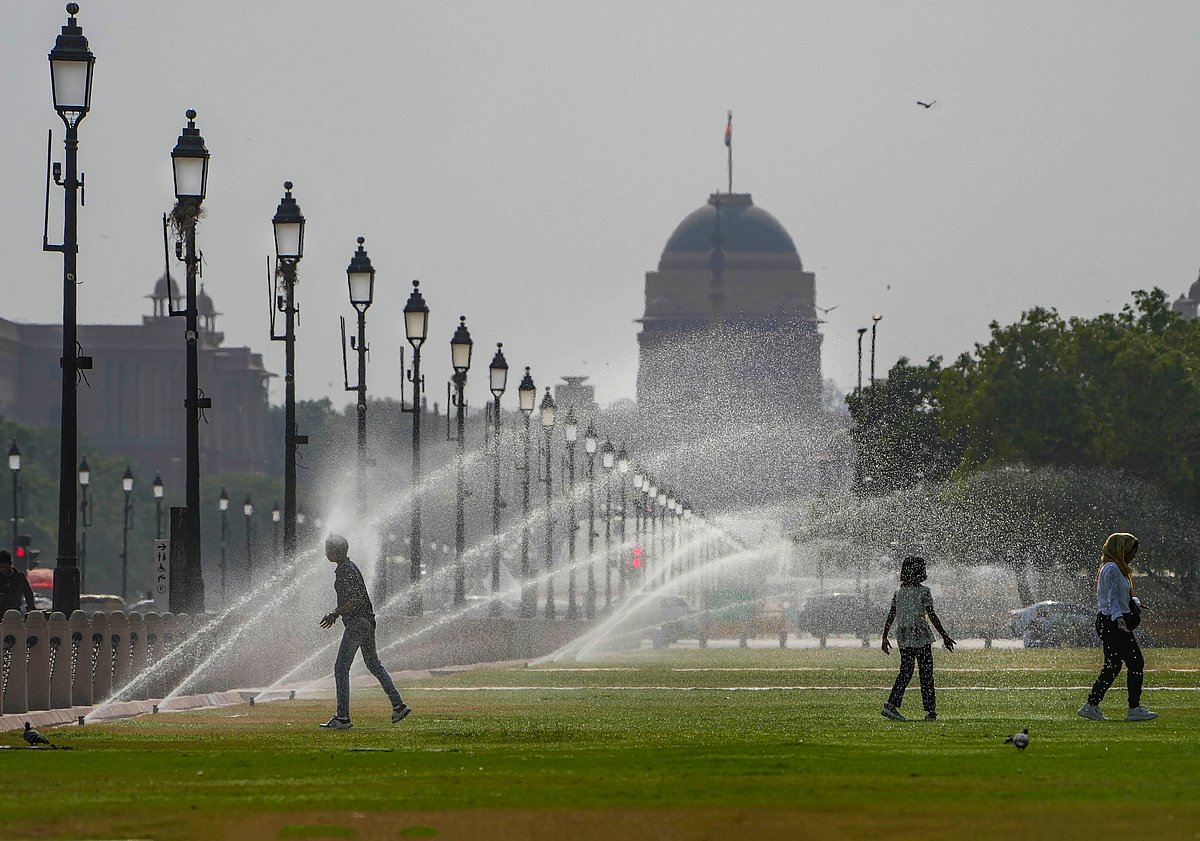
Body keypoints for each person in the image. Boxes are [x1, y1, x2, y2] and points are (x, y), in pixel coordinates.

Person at [318, 534, 412, 730]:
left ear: (336, 551)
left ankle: (342, 718)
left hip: (357, 624)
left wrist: (335, 613)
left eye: (328, 548)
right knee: (374, 664)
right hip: (367, 622)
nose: (326, 552)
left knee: (341, 668)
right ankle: (398, 705)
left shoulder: (345, 571)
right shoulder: (348, 568)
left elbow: (357, 598)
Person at [1078, 532, 1157, 722]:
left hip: (1110, 621)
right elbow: (1112, 598)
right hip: (1113, 623)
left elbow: (1120, 596)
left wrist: (1134, 602)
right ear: (1121, 549)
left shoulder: (1114, 567)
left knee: (1113, 666)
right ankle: (1134, 708)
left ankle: (1091, 705)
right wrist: (1119, 618)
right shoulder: (1112, 568)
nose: (1134, 555)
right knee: (1136, 662)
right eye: (1131, 551)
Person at [880, 556, 955, 721]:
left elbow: (892, 614)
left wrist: (885, 636)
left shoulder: (899, 591)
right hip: (920, 635)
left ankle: (891, 705)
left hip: (904, 636)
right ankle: (930, 712)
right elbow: (932, 615)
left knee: (906, 672)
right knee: (926, 673)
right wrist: (944, 635)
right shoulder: (923, 591)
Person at [0, 549, 37, 613]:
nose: (2, 569)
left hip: (14, 612)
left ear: (10, 564)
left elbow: (28, 594)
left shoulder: (19, 578)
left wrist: (31, 607)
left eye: (4, 567)